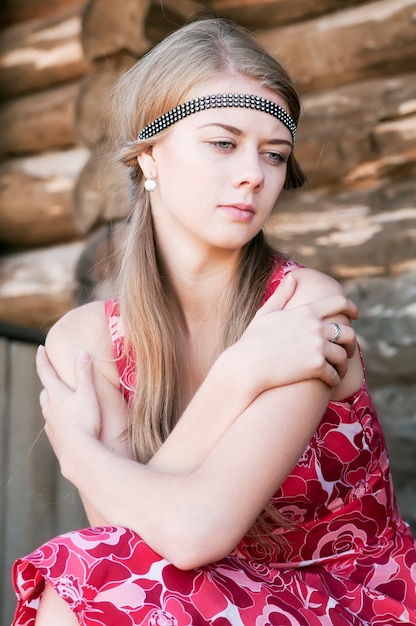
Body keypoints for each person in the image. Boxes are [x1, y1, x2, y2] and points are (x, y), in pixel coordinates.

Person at [12, 17, 416, 626]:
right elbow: (129, 548)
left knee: (73, 576)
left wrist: (79, 455)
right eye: (223, 143)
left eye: (274, 154)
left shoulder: (302, 307)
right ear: (149, 158)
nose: (254, 172)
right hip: (211, 593)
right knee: (82, 575)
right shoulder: (87, 338)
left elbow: (198, 531)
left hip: (349, 595)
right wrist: (241, 373)